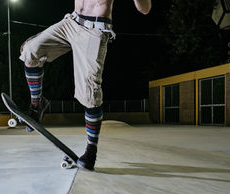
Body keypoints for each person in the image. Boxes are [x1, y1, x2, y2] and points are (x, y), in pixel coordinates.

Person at [19, 0, 152, 171]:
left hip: (94, 30)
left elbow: (145, 9)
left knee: (90, 93)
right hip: (71, 22)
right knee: (30, 51)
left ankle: (91, 150)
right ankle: (37, 105)